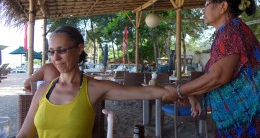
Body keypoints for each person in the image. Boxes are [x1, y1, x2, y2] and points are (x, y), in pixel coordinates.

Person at [163, 0, 260, 138]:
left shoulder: (232, 31)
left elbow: (218, 77)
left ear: (222, 6)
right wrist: (190, 95)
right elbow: (217, 79)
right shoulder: (227, 32)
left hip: (258, 120)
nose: (203, 9)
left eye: (206, 3)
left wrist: (179, 91)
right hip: (245, 121)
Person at [17, 26, 166, 138]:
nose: (55, 57)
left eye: (61, 50)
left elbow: (147, 91)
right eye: (51, 51)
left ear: (79, 49)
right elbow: (23, 134)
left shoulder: (93, 88)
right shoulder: (43, 90)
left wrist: (177, 91)